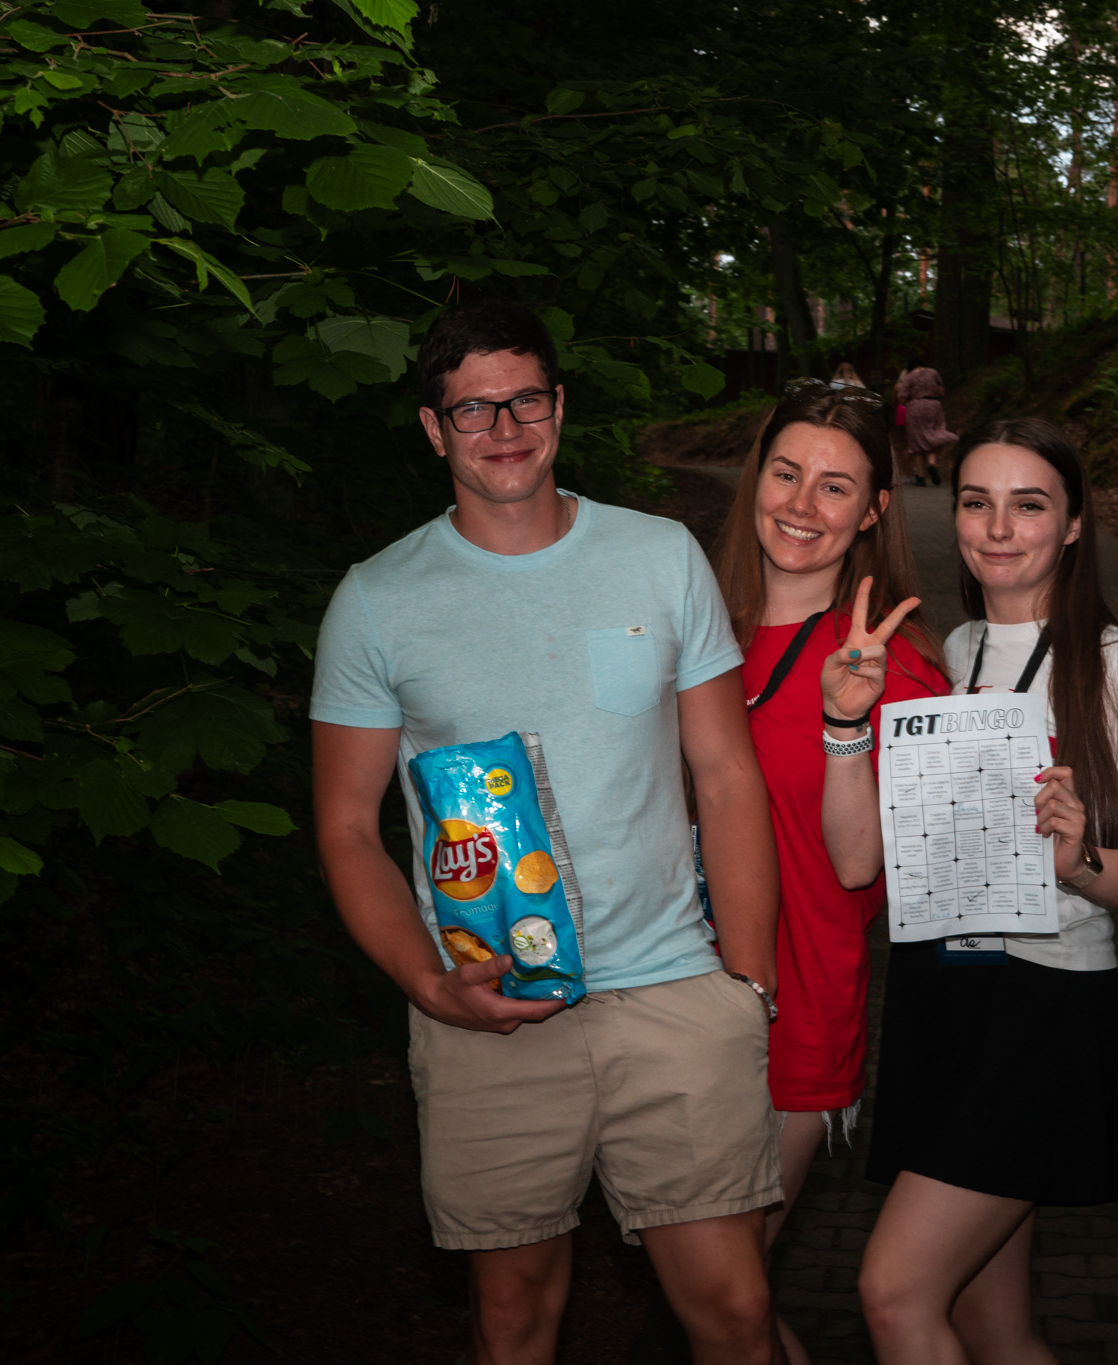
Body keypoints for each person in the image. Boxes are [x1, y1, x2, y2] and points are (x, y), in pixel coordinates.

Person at [309, 298, 786, 1365]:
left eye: (525, 400)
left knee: (737, 1314)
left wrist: (746, 985)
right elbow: (345, 826)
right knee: (513, 1318)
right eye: (472, 409)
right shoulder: (377, 601)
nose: (503, 428)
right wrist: (430, 986)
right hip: (490, 1008)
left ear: (559, 407)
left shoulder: (659, 557)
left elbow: (726, 776)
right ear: (433, 429)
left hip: (672, 990)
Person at [842, 417, 1118, 1364]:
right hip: (940, 991)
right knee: (988, 1325)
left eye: (1029, 504)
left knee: (895, 1293)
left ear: (1074, 524)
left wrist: (1081, 863)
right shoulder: (953, 649)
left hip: (1043, 1006)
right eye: (978, 502)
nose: (999, 528)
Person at [710, 383, 949, 1364]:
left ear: (874, 510)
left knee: (727, 1297)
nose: (802, 505)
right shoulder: (695, 634)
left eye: (836, 486)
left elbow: (862, 869)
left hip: (795, 1009)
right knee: (718, 1305)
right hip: (666, 1002)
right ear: (754, 479)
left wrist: (844, 721)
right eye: (786, 473)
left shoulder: (897, 670)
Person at [895, 360, 956, 487]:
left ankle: (921, 477)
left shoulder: (909, 376)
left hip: (915, 407)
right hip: (934, 405)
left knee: (916, 441)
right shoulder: (933, 373)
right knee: (934, 435)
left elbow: (901, 396)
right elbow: (941, 392)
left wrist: (910, 402)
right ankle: (932, 464)